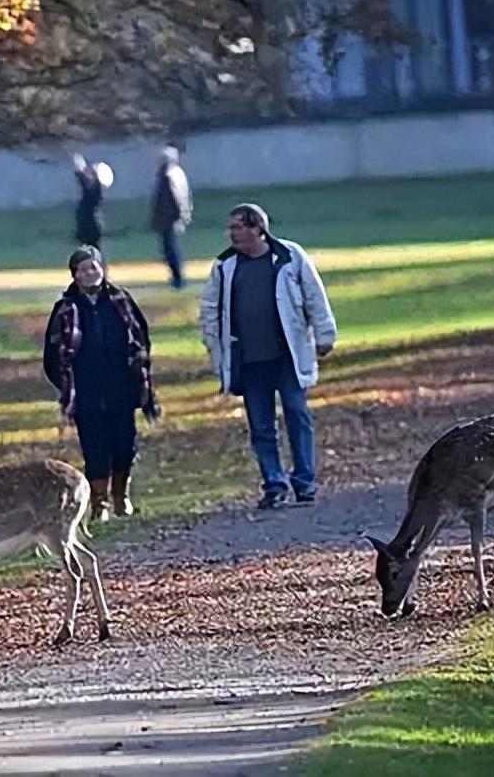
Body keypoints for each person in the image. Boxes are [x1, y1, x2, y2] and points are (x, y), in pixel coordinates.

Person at [200, 203, 337, 510]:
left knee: (296, 413)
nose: (232, 233)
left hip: (286, 353)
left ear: (257, 229)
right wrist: (214, 347)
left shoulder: (290, 257)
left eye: (238, 226)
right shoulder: (224, 266)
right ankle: (274, 483)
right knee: (261, 425)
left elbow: (315, 296)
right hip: (249, 359)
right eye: (231, 227)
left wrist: (325, 334)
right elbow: (210, 310)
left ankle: (305, 481)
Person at [44, 246, 160, 520]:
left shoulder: (120, 301)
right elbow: (53, 355)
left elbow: (141, 340)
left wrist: (139, 376)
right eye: (83, 270)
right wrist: (66, 386)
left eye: (94, 267)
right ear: (75, 275)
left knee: (124, 445)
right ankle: (100, 502)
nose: (90, 273)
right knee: (95, 448)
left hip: (121, 387)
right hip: (87, 391)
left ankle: (121, 495)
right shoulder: (65, 309)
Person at [148, 145, 192, 289]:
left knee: (171, 249)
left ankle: (178, 278)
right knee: (169, 249)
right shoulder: (171, 173)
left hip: (170, 218)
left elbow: (177, 197)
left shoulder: (169, 174)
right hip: (167, 218)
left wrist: (181, 215)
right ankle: (176, 277)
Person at [72, 153, 113, 248]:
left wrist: (77, 161)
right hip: (89, 227)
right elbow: (83, 177)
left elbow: (83, 177)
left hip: (89, 228)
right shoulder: (94, 190)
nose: (89, 172)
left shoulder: (92, 190)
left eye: (93, 172)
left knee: (90, 253)